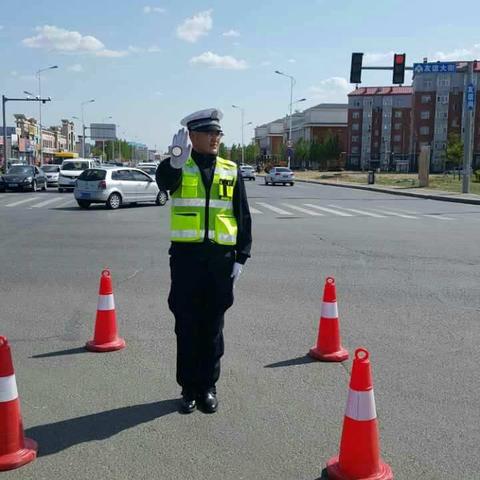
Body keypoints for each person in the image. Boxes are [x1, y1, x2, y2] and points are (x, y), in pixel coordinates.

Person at [156, 108, 252, 414]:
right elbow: (163, 184)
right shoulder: (177, 165)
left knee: (212, 328)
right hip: (186, 261)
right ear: (192, 136)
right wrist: (174, 160)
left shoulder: (230, 169)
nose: (215, 138)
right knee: (186, 326)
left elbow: (242, 214)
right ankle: (187, 389)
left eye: (218, 133)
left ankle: (208, 386)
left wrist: (242, 256)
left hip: (220, 262)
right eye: (209, 133)